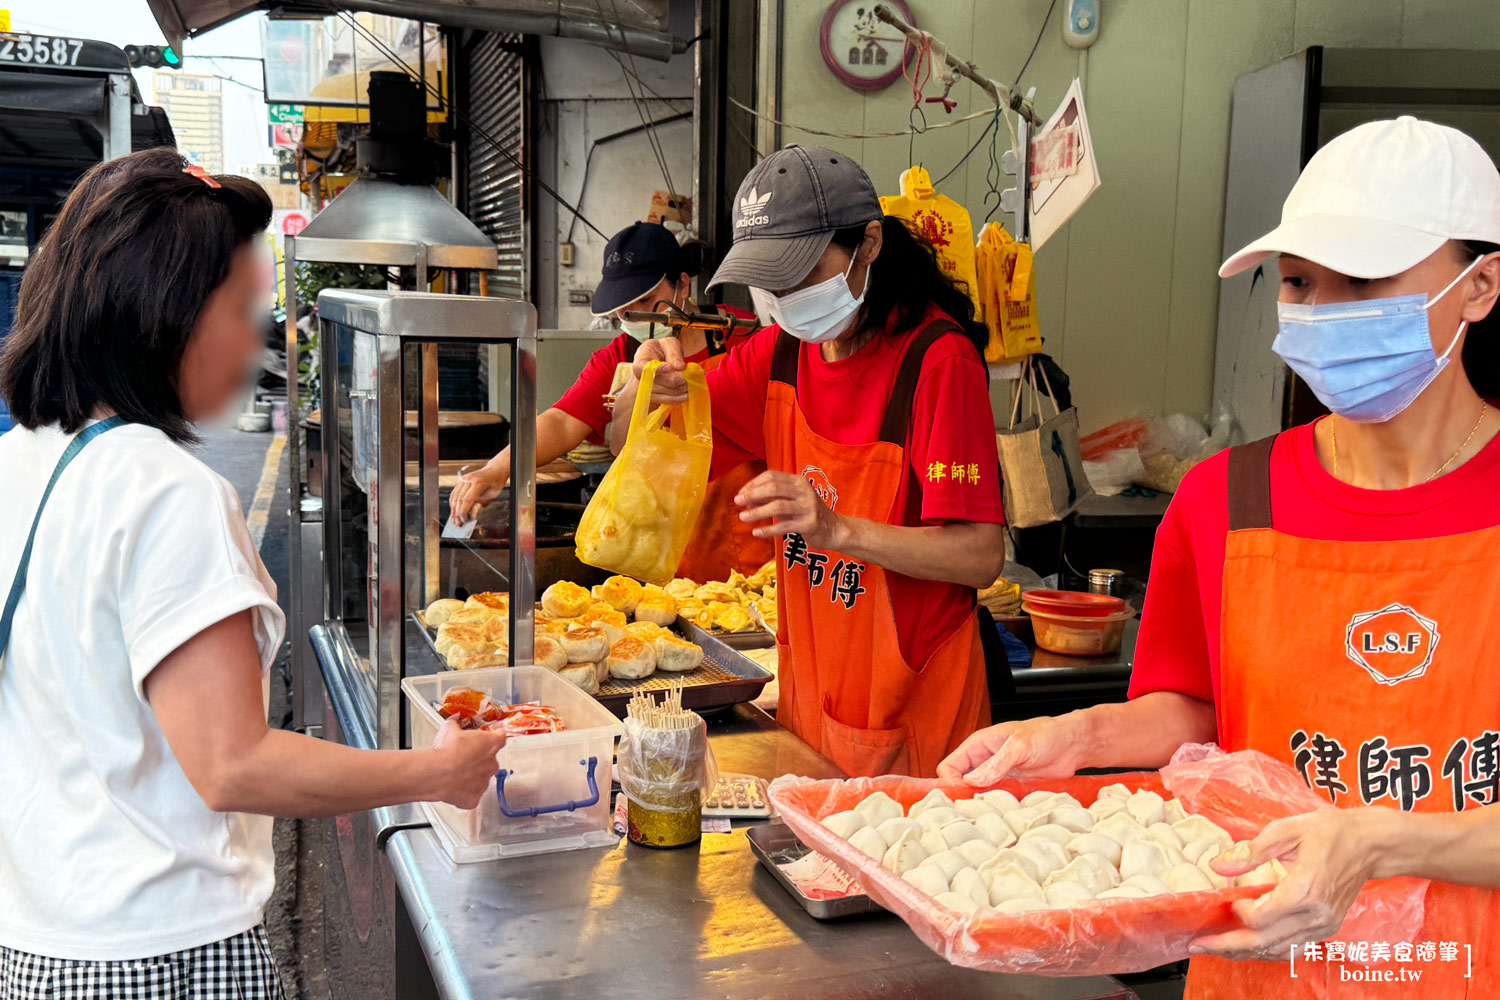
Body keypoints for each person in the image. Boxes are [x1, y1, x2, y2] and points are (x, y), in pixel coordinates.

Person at [940, 117, 1500, 998]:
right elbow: (1194, 709)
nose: (1324, 312)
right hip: (1260, 970)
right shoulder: (1228, 500)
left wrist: (1383, 839)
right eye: (1302, 283)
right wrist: (1073, 737)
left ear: (1481, 286)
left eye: (1365, 280)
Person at [0, 149, 504, 996]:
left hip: (43, 939)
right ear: (166, 316)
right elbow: (233, 763)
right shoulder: (165, 493)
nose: (255, 340)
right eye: (242, 309)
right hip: (165, 954)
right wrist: (434, 771)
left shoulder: (22, 462)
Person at [618, 145, 1006, 778]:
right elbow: (654, 452)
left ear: (869, 244)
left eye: (798, 271)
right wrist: (651, 389)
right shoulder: (778, 354)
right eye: (767, 278)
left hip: (915, 715)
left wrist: (836, 530)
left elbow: (980, 554)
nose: (781, 296)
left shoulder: (937, 362)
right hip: (812, 710)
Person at [448, 220, 772, 581]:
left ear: (682, 284)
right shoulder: (618, 357)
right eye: (624, 309)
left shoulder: (743, 336)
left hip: (752, 550)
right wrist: (497, 469)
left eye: (647, 300)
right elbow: (561, 421)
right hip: (657, 556)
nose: (635, 316)